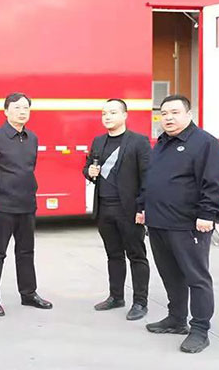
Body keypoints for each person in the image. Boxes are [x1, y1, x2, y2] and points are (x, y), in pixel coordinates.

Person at [139, 94, 219, 354]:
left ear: (189, 114)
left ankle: (200, 329)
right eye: (164, 113)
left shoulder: (205, 143)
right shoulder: (161, 143)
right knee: (170, 274)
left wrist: (207, 214)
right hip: (158, 222)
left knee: (196, 277)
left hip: (188, 225)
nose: (168, 118)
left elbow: (213, 183)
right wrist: (142, 207)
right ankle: (176, 319)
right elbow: (151, 179)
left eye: (175, 112)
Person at [0, 92, 52, 317]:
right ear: (6, 111)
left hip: (27, 203)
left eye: (26, 108)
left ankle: (28, 293)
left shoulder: (32, 138)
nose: (22, 112)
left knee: (26, 251)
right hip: (3, 205)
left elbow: (29, 168)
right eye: (17, 108)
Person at [82, 98, 151, 320]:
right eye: (104, 113)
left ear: (124, 115)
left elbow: (147, 177)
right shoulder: (98, 141)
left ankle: (140, 302)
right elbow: (87, 167)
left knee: (136, 255)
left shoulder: (138, 141)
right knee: (113, 254)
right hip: (104, 207)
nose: (107, 117)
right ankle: (116, 296)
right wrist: (89, 172)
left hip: (128, 209)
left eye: (112, 112)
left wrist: (143, 208)